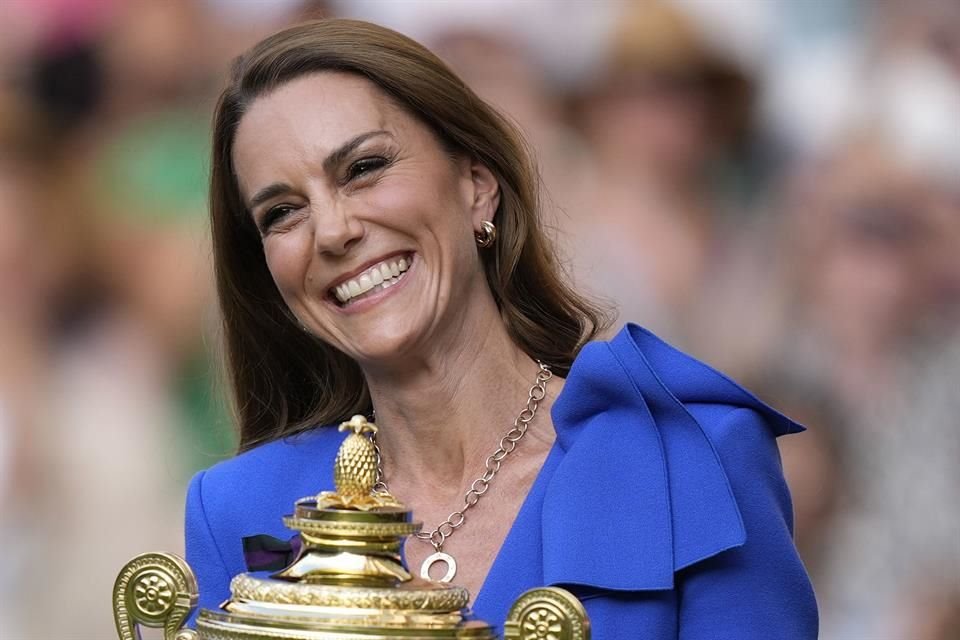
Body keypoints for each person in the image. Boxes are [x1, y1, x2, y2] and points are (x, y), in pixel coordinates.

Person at [185, 19, 817, 638]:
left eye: (363, 168)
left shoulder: (691, 458)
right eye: (283, 212)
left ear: (477, 186)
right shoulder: (237, 511)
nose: (332, 231)